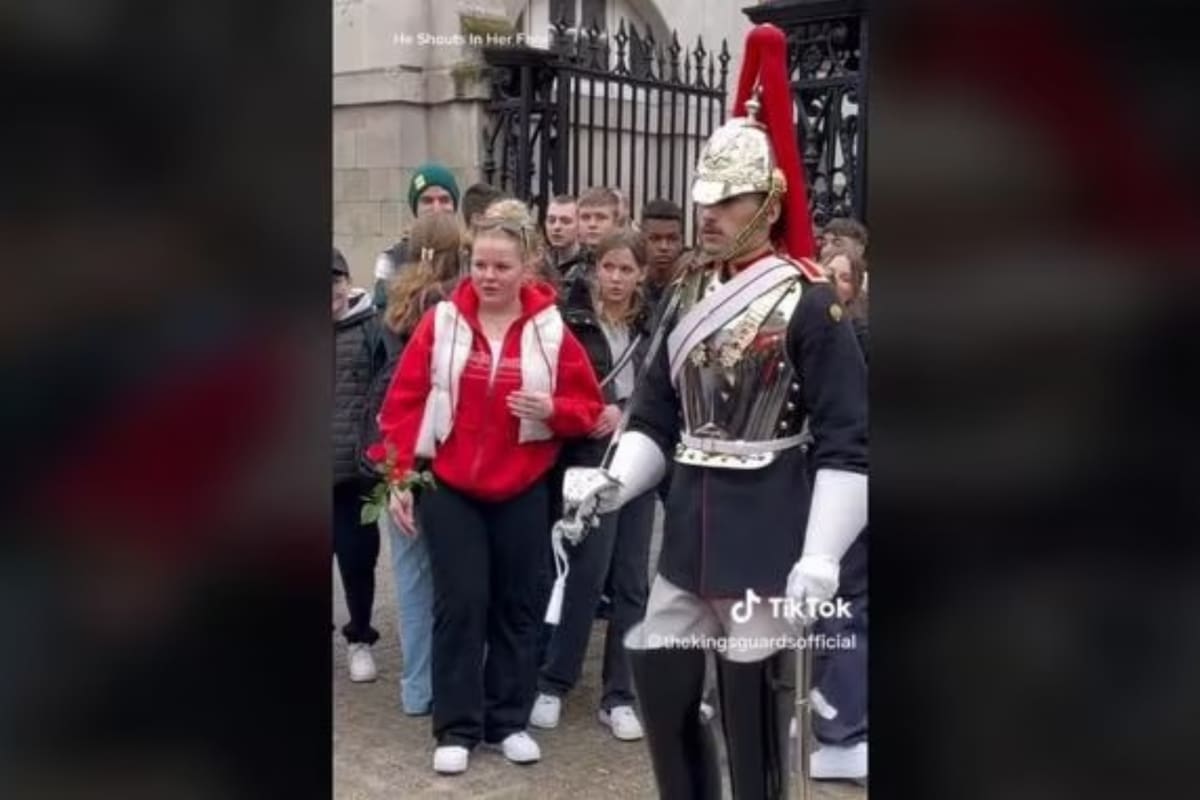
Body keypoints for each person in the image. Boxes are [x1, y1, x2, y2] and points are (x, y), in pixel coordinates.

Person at [561, 23, 867, 799]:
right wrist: (613, 483)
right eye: (706, 198)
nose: (709, 213)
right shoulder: (687, 296)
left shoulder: (808, 304)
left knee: (750, 710)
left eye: (726, 200)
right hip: (689, 531)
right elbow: (658, 418)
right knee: (660, 685)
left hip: (769, 529)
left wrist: (823, 553)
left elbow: (848, 441)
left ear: (765, 200)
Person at [374, 203, 605, 776]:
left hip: (523, 486)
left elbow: (588, 409)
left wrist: (551, 408)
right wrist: (399, 478)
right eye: (480, 263)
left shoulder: (552, 329)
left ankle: (507, 721)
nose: (489, 275)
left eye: (502, 265)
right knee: (460, 604)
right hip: (451, 486)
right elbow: (401, 404)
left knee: (517, 605)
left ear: (527, 266)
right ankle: (457, 726)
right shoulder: (442, 321)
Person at [531, 230, 656, 742]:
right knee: (585, 572)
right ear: (595, 268)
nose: (618, 279)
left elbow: (665, 392)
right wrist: (596, 414)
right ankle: (554, 681)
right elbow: (555, 389)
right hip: (587, 461)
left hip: (640, 462)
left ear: (642, 275)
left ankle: (619, 694)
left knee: (631, 580)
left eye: (628, 270)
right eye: (610, 268)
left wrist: (632, 415)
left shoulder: (655, 325)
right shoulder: (570, 321)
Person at [370, 213, 466, 717]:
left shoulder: (391, 302)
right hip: (437, 455)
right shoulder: (450, 309)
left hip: (394, 452)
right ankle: (441, 681)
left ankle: (415, 687)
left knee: (409, 579)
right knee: (446, 578)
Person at [332, 247, 389, 683]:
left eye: (334, 280)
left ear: (346, 282)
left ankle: (360, 638)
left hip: (354, 472)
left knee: (357, 559)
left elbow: (385, 389)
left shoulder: (372, 327)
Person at [372, 162, 462, 309]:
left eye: (444, 200)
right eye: (427, 201)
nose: (436, 208)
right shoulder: (392, 258)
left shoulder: (471, 254)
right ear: (415, 208)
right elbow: (383, 317)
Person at [639, 198, 685, 311]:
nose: (664, 247)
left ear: (681, 241)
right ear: (641, 239)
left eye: (672, 239)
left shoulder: (692, 283)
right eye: (655, 239)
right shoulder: (629, 282)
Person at [544, 195, 581, 274]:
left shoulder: (588, 268)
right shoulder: (539, 264)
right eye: (551, 220)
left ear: (579, 225)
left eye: (565, 221)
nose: (556, 227)